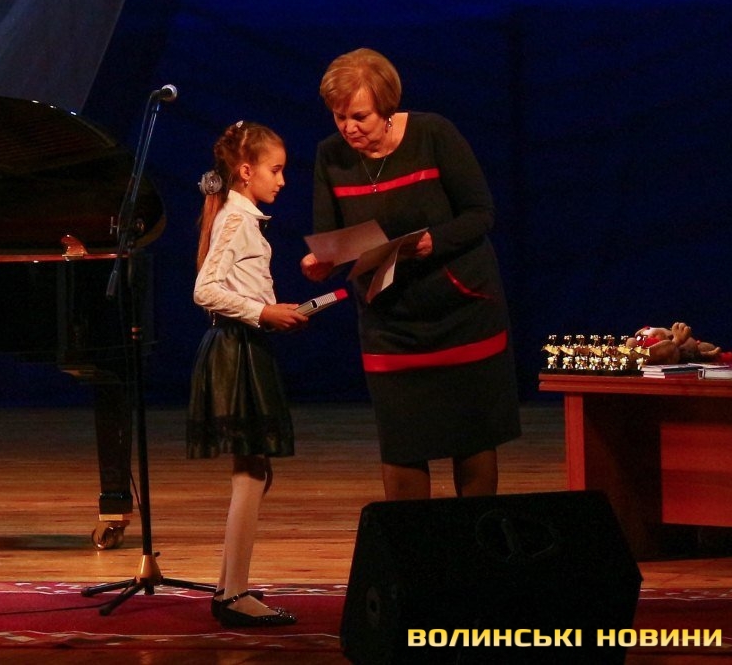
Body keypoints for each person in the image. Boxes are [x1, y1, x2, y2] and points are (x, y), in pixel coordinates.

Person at [301, 48, 521, 501]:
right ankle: (414, 543)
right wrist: (321, 263)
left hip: (460, 309)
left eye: (359, 116)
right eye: (339, 117)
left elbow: (480, 213)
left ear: (386, 107)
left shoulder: (433, 134)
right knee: (403, 443)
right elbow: (332, 237)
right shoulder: (330, 156)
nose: (348, 128)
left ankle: (475, 536)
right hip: (390, 323)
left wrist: (432, 241)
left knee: (473, 436)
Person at [187, 120, 306, 627]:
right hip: (236, 349)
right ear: (245, 171)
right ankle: (232, 594)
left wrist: (273, 311)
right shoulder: (236, 220)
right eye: (275, 170)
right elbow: (205, 290)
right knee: (252, 472)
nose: (282, 180)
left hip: (246, 345)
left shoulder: (243, 218)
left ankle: (229, 587)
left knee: (255, 471)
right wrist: (263, 312)